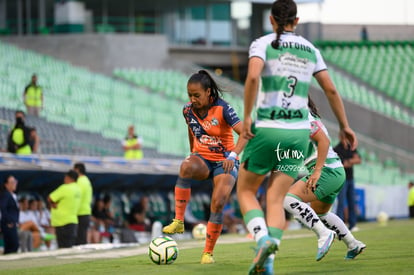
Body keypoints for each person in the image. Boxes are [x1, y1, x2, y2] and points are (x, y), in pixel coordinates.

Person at [236, 0, 358, 273]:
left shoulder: (262, 43)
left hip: (268, 127)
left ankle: (261, 238)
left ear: (271, 20)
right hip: (299, 136)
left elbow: (253, 78)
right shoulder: (311, 50)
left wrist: (246, 117)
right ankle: (267, 263)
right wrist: (344, 125)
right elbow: (330, 90)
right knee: (277, 200)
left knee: (245, 190)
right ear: (297, 20)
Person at [162, 70, 246, 264]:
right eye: (189, 95)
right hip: (203, 159)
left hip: (225, 161)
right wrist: (193, 152)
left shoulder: (223, 108)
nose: (192, 99)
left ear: (208, 92)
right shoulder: (187, 110)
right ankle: (179, 222)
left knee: (218, 203)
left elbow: (245, 133)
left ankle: (207, 253)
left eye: (196, 95)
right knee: (185, 167)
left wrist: (233, 156)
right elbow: (192, 129)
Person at [283, 96, 366, 261]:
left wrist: (317, 171)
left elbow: (324, 141)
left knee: (287, 199)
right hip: (335, 171)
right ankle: (353, 243)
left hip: (326, 171)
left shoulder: (302, 115)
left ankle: (324, 234)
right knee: (320, 213)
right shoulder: (303, 118)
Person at [334, 129, 362, 232]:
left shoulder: (351, 147)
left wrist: (349, 161)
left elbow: (358, 160)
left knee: (352, 202)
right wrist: (352, 160)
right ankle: (339, 226)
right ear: (341, 137)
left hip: (351, 179)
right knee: (341, 203)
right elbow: (343, 164)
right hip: (342, 180)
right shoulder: (337, 149)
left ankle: (353, 224)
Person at [48, 170, 81, 248]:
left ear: (69, 178)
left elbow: (50, 198)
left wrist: (53, 204)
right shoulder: (78, 189)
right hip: (73, 221)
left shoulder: (65, 188)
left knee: (63, 247)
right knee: (70, 246)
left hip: (62, 222)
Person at [73, 162, 93, 245]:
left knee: (79, 239)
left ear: (77, 170)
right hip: (86, 211)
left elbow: (76, 196)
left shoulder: (80, 182)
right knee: (82, 237)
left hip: (79, 212)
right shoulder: (87, 180)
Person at [0, 175, 20, 254]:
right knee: (12, 245)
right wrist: (8, 221)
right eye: (12, 182)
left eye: (15, 182)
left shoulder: (13, 195)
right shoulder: (6, 195)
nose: (14, 184)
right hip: (8, 223)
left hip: (13, 223)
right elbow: (2, 208)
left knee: (13, 245)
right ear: (6, 184)